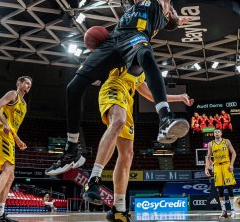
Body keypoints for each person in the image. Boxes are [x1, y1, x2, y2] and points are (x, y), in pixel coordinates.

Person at [45, 0, 191, 176]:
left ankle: (164, 118)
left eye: (174, 12)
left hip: (134, 39)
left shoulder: (163, 4)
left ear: (169, 14)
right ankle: (72, 149)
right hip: (113, 40)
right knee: (74, 86)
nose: (173, 7)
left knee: (145, 53)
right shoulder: (140, 3)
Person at [81, 66, 194, 222]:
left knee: (127, 154)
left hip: (127, 100)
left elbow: (152, 96)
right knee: (118, 121)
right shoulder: (124, 51)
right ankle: (93, 180)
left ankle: (118, 209)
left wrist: (179, 97)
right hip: (113, 87)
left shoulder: (139, 75)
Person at [0, 76, 32, 222]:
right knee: (7, 171)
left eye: (30, 84)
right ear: (19, 83)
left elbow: (13, 127)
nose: (28, 85)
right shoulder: (13, 94)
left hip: (10, 138)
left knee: (11, 176)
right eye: (26, 82)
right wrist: (4, 123)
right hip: (1, 135)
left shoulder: (24, 105)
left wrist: (18, 140)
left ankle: (0, 212)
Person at [205, 128, 237, 218]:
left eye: (218, 132)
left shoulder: (226, 141)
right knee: (220, 189)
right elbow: (208, 157)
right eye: (215, 132)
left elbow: (234, 153)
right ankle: (224, 211)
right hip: (217, 167)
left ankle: (233, 210)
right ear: (213, 134)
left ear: (221, 133)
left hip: (226, 165)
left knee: (229, 187)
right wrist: (206, 168)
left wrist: (231, 164)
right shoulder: (210, 144)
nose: (217, 133)